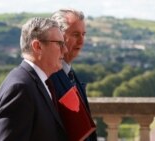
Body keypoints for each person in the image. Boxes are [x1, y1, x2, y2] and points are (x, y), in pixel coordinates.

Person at [0, 17, 68, 141]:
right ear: (37, 46)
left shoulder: (38, 82)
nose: (65, 50)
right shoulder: (20, 88)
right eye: (59, 43)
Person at [49, 8, 98, 141]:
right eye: (76, 34)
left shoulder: (69, 73)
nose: (82, 41)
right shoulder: (48, 77)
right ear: (58, 36)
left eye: (83, 34)